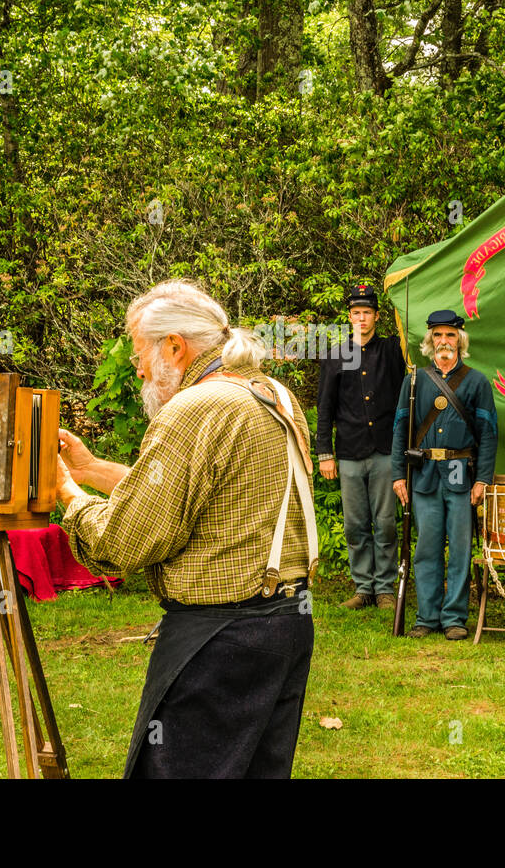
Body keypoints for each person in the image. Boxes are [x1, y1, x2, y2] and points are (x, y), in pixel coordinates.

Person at [56, 279, 316, 778]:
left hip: (221, 638)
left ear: (174, 346)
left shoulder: (196, 407)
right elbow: (191, 498)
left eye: (140, 353)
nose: (138, 368)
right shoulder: (271, 392)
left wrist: (67, 494)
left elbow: (121, 542)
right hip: (284, 624)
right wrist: (90, 470)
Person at [391, 310, 497, 640]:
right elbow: (400, 429)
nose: (444, 341)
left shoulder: (477, 381)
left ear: (460, 340)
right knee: (427, 548)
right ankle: (426, 616)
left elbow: (489, 433)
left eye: (450, 335)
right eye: (437, 335)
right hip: (424, 475)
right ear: (430, 341)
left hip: (460, 474)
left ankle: (454, 618)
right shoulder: (414, 381)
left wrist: (482, 479)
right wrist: (398, 474)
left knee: (460, 549)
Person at [316, 283, 406, 611]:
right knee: (355, 524)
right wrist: (325, 453)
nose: (362, 318)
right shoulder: (335, 355)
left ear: (377, 316)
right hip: (349, 451)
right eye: (357, 313)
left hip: (385, 450)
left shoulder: (393, 350)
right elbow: (324, 407)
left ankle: (384, 588)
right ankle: (363, 587)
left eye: (367, 312)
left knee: (385, 522)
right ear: (349, 316)